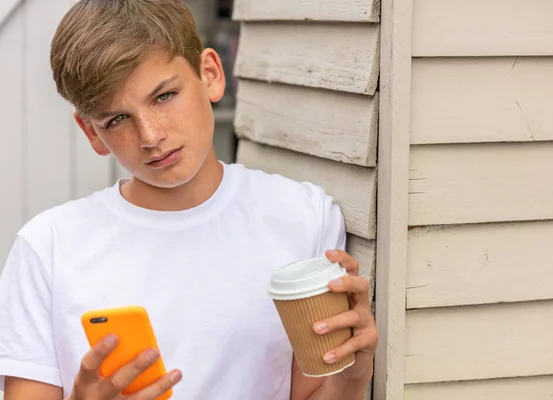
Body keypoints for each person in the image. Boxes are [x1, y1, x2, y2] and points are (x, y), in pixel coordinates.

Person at [0, 0, 378, 399]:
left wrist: (353, 377)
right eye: (116, 120)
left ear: (210, 75)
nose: (150, 136)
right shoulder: (48, 248)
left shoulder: (302, 216)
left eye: (164, 96)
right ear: (92, 133)